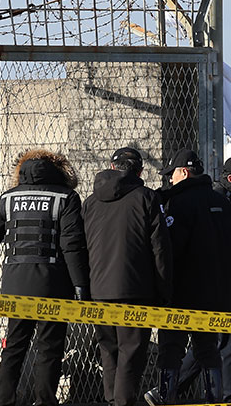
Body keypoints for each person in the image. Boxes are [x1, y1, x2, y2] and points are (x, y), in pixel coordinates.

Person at [0, 149, 89, 406]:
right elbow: (72, 245)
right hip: (52, 284)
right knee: (49, 348)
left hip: (15, 285)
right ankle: (44, 401)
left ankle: (3, 400)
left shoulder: (9, 199)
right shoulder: (66, 197)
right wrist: (81, 284)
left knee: (14, 346)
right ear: (59, 171)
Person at [150, 148, 231, 405]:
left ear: (184, 172)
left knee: (171, 351)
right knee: (208, 351)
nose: (169, 181)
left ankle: (166, 400)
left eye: (172, 175)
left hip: (182, 293)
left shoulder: (178, 205)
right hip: (216, 295)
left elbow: (170, 251)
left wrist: (161, 288)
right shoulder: (225, 204)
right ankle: (214, 399)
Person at [83, 147, 172, 406]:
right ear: (140, 172)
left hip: (99, 288)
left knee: (108, 349)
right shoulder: (146, 198)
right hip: (135, 290)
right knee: (131, 351)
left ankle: (113, 400)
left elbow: (80, 246)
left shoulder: (90, 202)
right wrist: (164, 292)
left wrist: (84, 287)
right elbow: (160, 249)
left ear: (112, 167)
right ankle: (122, 402)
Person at [177, 154, 231, 402]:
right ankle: (228, 398)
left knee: (212, 343)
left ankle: (166, 391)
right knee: (230, 346)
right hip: (225, 289)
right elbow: (223, 252)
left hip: (228, 288)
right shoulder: (222, 203)